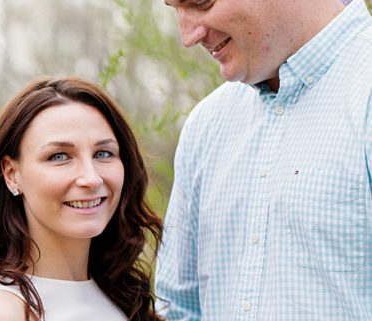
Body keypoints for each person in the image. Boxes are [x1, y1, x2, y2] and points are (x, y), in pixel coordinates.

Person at [155, 0, 372, 320]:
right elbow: (178, 308)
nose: (188, 36)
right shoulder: (207, 125)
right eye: (175, 9)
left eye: (200, 2)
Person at [0, 76, 164, 321]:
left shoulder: (121, 295)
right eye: (59, 156)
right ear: (12, 174)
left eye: (103, 153)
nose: (91, 178)